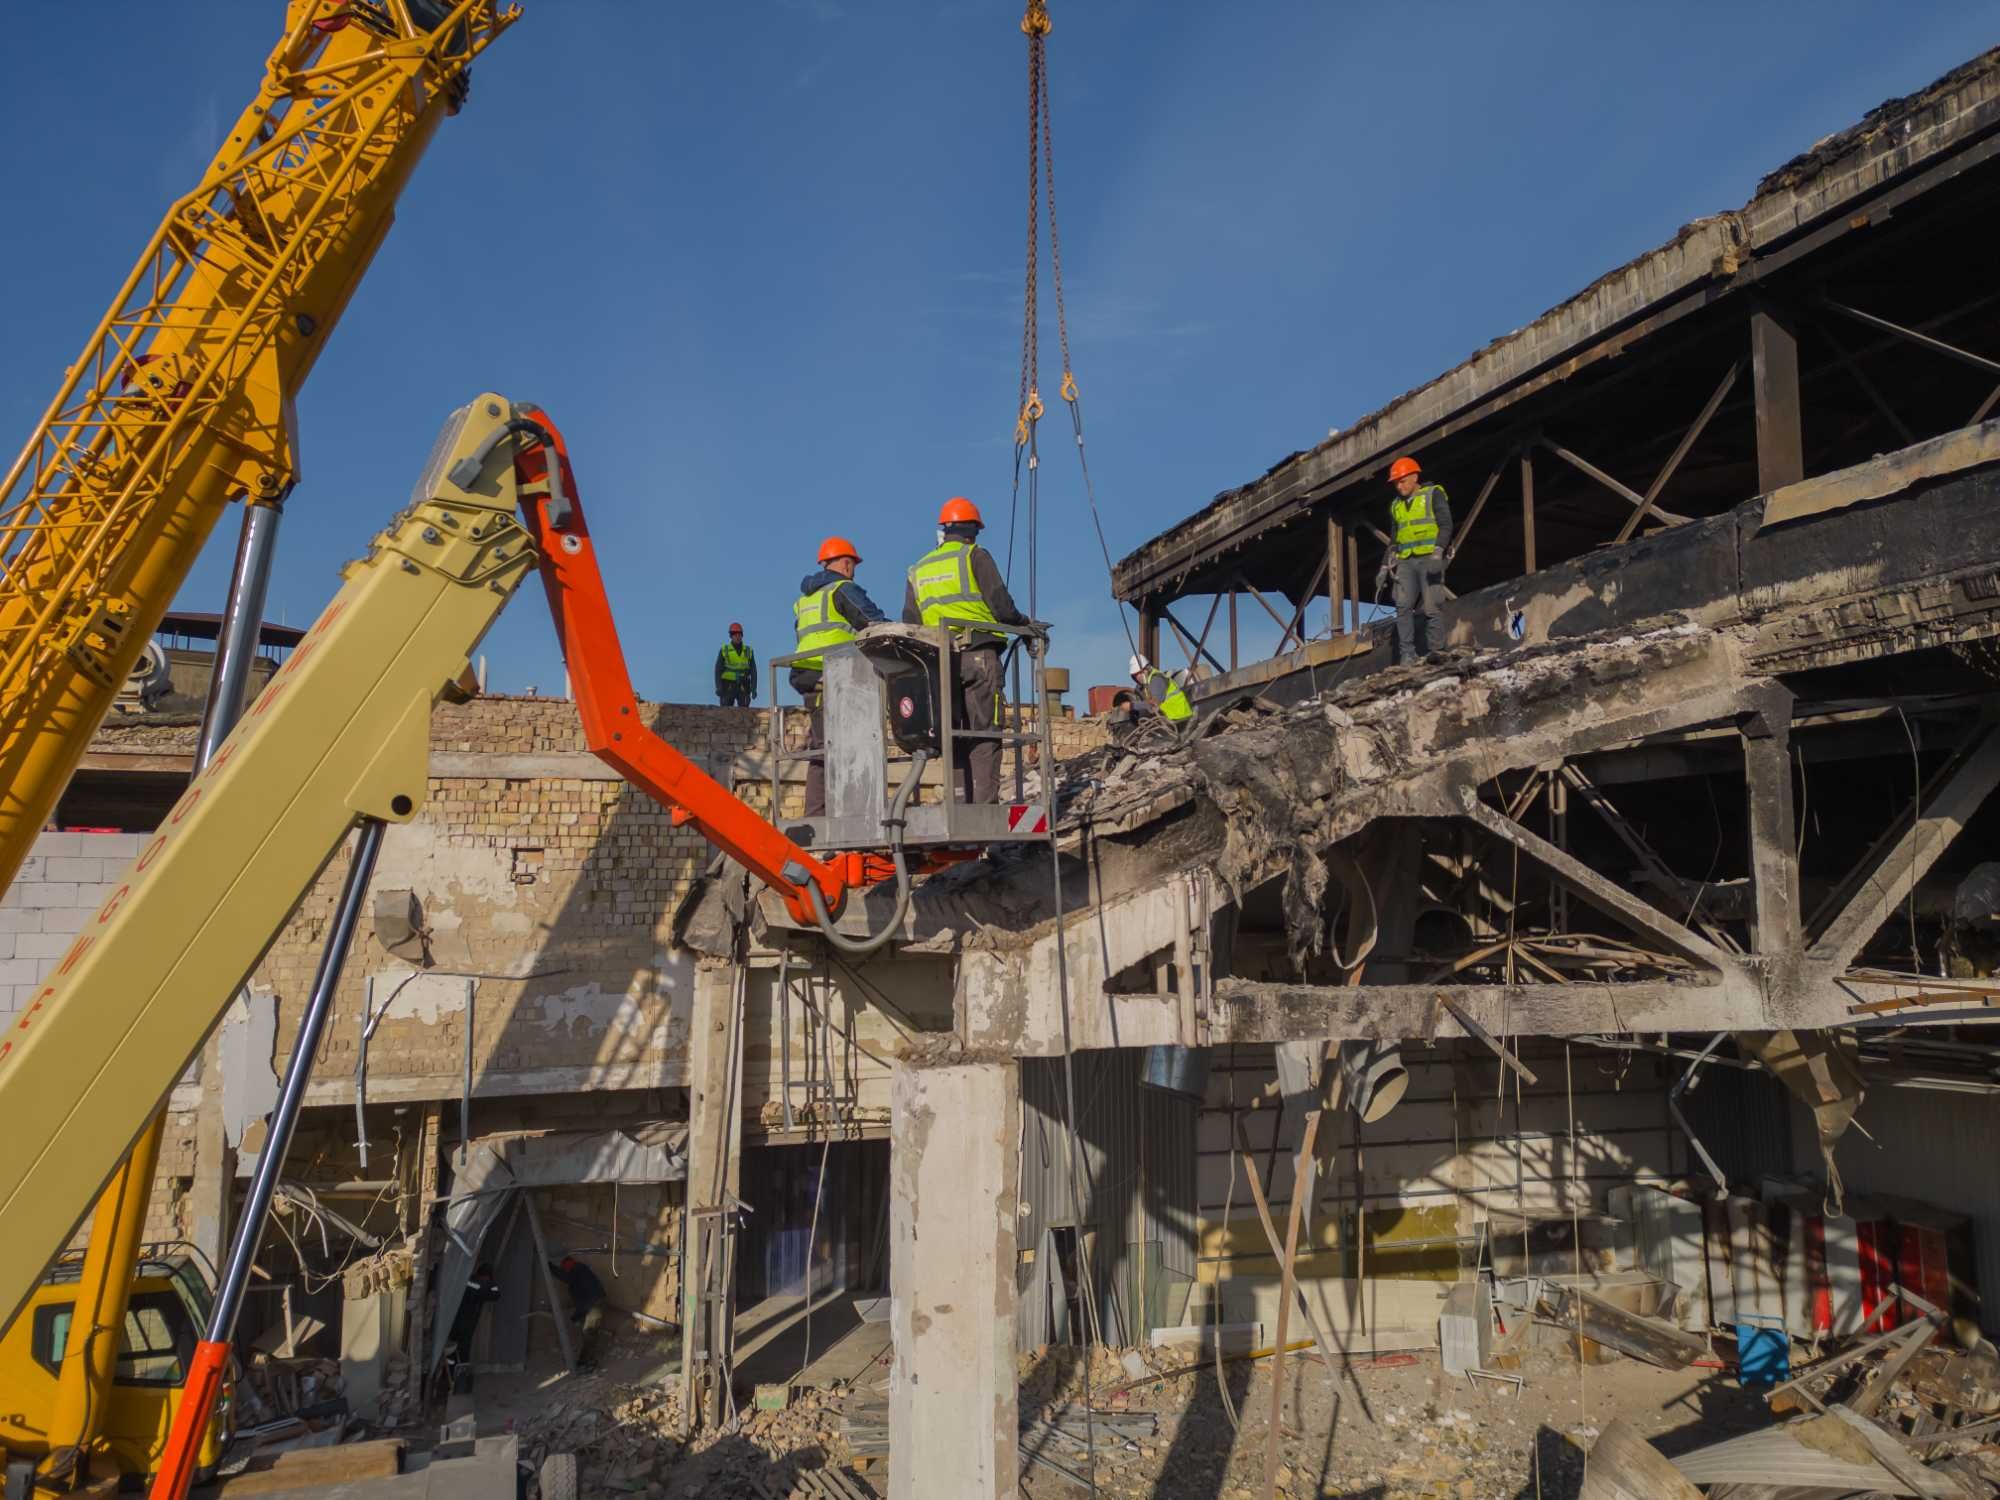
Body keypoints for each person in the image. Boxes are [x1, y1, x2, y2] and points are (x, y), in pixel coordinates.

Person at [902, 497, 1033, 804]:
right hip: (978, 655)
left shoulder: (918, 569)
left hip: (939, 663)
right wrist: (1026, 625)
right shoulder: (975, 556)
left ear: (945, 531)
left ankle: (959, 805)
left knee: (953, 735)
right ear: (973, 530)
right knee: (985, 733)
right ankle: (985, 810)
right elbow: (1002, 606)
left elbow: (910, 622)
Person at [793, 536, 889, 818]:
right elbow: (872, 621)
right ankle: (842, 814)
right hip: (835, 676)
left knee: (823, 747)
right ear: (847, 563)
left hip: (809, 677)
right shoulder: (842, 589)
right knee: (846, 746)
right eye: (853, 564)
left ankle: (818, 813)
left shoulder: (805, 599)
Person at [1380, 455, 1453, 663]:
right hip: (1406, 562)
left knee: (1432, 606)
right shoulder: (1396, 506)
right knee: (1402, 607)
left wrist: (1438, 553)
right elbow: (1394, 540)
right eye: (1395, 483)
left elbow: (1446, 525)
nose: (1398, 486)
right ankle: (1407, 655)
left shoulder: (1433, 494)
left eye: (1401, 481)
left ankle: (1437, 652)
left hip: (1430, 558)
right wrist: (1384, 567)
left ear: (1414, 477)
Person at [446, 1261, 501, 1391]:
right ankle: (460, 1381)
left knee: (453, 1352)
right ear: (486, 1276)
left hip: (457, 1323)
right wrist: (491, 1284)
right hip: (464, 1325)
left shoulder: (469, 1281)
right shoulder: (481, 1287)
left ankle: (452, 1377)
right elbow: (496, 1294)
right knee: (462, 1352)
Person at [550, 1253, 606, 1367]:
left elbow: (565, 1277)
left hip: (593, 1304)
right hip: (591, 1303)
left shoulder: (577, 1269)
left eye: (564, 1267)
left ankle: (587, 1362)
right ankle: (585, 1361)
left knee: (589, 1332)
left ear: (568, 1265)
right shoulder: (579, 1271)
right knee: (588, 1333)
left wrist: (550, 1267)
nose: (564, 1269)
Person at [1126, 654, 1193, 724]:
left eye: (1139, 673)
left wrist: (1132, 706)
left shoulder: (1157, 679)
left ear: (1147, 669)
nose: (1138, 677)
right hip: (1171, 718)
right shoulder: (1146, 685)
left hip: (1181, 717)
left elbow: (1154, 704)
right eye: (1135, 675)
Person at [714, 623, 755, 708]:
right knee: (725, 710)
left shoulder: (748, 651)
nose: (737, 637)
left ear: (742, 635)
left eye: (739, 634)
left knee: (744, 710)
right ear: (731, 636)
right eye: (735, 634)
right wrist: (718, 687)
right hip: (727, 685)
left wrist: (754, 688)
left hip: (743, 684)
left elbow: (754, 671)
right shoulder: (724, 650)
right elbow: (718, 670)